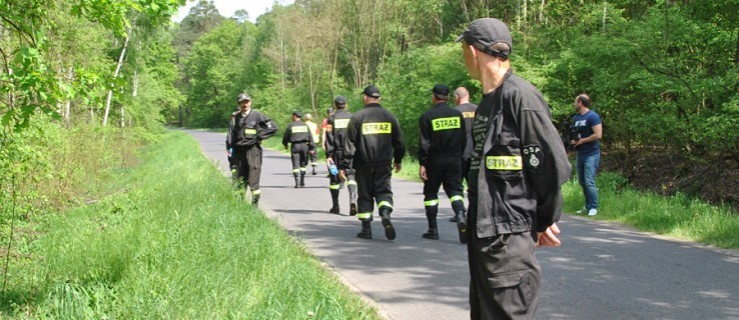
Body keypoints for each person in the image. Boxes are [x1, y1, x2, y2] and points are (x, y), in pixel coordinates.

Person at [457, 18, 571, 319]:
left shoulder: (521, 97)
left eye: (462, 50)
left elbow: (552, 165)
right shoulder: (487, 103)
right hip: (486, 234)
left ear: (472, 50)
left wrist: (541, 220)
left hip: (508, 239)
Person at [343, 85, 405, 240]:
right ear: (380, 98)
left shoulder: (357, 117)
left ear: (365, 97)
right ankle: (385, 213)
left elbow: (349, 144)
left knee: (365, 195)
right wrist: (398, 160)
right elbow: (399, 142)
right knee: (383, 191)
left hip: (363, 164)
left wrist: (346, 165)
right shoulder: (389, 116)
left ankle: (366, 229)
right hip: (383, 163)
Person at [417, 84, 468, 243]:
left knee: (431, 193)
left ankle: (433, 229)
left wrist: (423, 163)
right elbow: (463, 139)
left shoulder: (428, 116)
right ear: (448, 97)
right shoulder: (457, 114)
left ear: (434, 96)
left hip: (435, 161)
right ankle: (460, 215)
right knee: (455, 190)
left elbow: (425, 144)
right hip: (454, 159)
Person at [226, 93, 278, 204]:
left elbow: (273, 127)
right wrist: (231, 157)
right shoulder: (236, 118)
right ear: (238, 104)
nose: (244, 104)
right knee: (240, 179)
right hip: (239, 152)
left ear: (250, 102)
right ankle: (239, 205)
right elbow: (232, 137)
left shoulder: (257, 115)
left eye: (246, 101)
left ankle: (254, 206)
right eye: (242, 102)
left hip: (253, 151)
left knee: (253, 179)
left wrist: (259, 137)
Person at [570, 93, 602, 216]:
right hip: (580, 153)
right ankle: (587, 205)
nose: (574, 104)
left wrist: (582, 141)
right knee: (582, 181)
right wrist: (574, 141)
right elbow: (576, 135)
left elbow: (598, 135)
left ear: (580, 103)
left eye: (575, 101)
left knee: (589, 181)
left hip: (591, 153)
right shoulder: (576, 118)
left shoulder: (593, 116)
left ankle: (594, 207)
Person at [324, 96, 358, 215]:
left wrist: (329, 154)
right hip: (351, 152)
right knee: (351, 176)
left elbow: (329, 138)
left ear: (335, 105)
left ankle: (335, 206)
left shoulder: (331, 118)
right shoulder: (352, 117)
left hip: (336, 153)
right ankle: (353, 200)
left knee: (334, 178)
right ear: (346, 104)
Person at [450, 86, 478, 223]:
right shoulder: (478, 110)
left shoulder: (453, 112)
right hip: (476, 154)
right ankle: (476, 213)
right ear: (468, 96)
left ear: (457, 97)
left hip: (459, 154)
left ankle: (460, 213)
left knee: (457, 186)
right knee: (475, 185)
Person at [283, 111, 315, 188]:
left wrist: (285, 144)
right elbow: (310, 137)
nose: (291, 117)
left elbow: (286, 136)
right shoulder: (305, 125)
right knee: (303, 164)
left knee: (295, 164)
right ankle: (302, 182)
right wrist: (312, 147)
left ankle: (297, 183)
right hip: (304, 146)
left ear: (294, 116)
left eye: (292, 116)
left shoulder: (291, 125)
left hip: (295, 146)